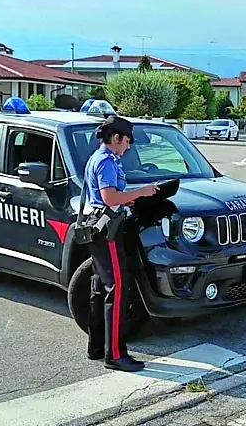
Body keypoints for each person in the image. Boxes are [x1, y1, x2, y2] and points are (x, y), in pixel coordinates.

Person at [83, 115, 158, 372]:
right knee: (117, 288)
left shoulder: (99, 158)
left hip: (98, 229)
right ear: (116, 138)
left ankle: (96, 346)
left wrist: (131, 199)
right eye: (127, 141)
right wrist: (142, 192)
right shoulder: (106, 161)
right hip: (108, 232)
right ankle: (115, 354)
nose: (128, 146)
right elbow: (110, 197)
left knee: (99, 288)